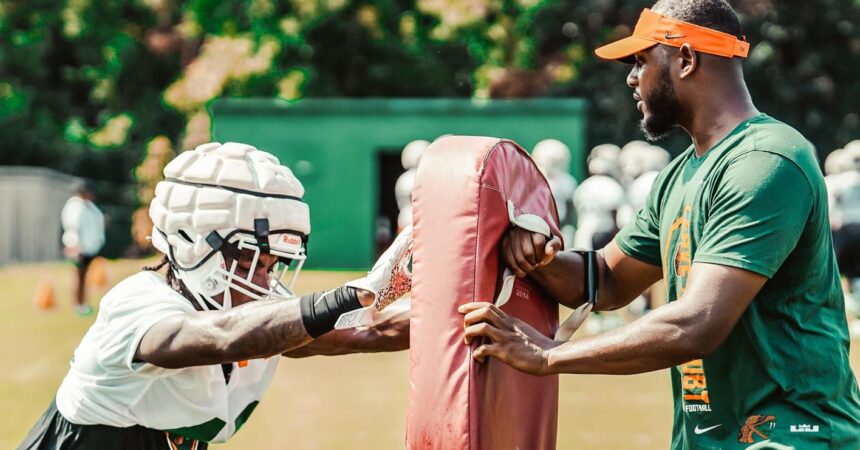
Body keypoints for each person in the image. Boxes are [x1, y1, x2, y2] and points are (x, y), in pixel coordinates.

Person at [460, 1, 860, 448]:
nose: (632, 78)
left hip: (792, 436)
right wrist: (534, 252)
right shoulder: (679, 174)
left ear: (686, 60)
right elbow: (604, 280)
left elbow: (697, 323)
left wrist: (550, 355)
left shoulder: (764, 160)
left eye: (641, 60)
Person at [20, 142, 411, 450]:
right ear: (190, 243)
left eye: (273, 265)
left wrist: (459, 318)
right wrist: (356, 293)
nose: (262, 283)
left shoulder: (255, 319)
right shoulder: (137, 304)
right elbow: (221, 336)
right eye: (247, 260)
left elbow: (370, 331)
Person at [60, 182, 106, 316]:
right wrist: (75, 246)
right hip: (78, 247)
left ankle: (83, 304)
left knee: (84, 276)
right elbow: (73, 227)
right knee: (78, 276)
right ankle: (78, 305)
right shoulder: (74, 206)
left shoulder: (89, 206)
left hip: (90, 247)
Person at [531, 138, 578, 248]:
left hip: (560, 226)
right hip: (538, 226)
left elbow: (570, 209)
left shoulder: (567, 181)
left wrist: (568, 227)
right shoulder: (536, 180)